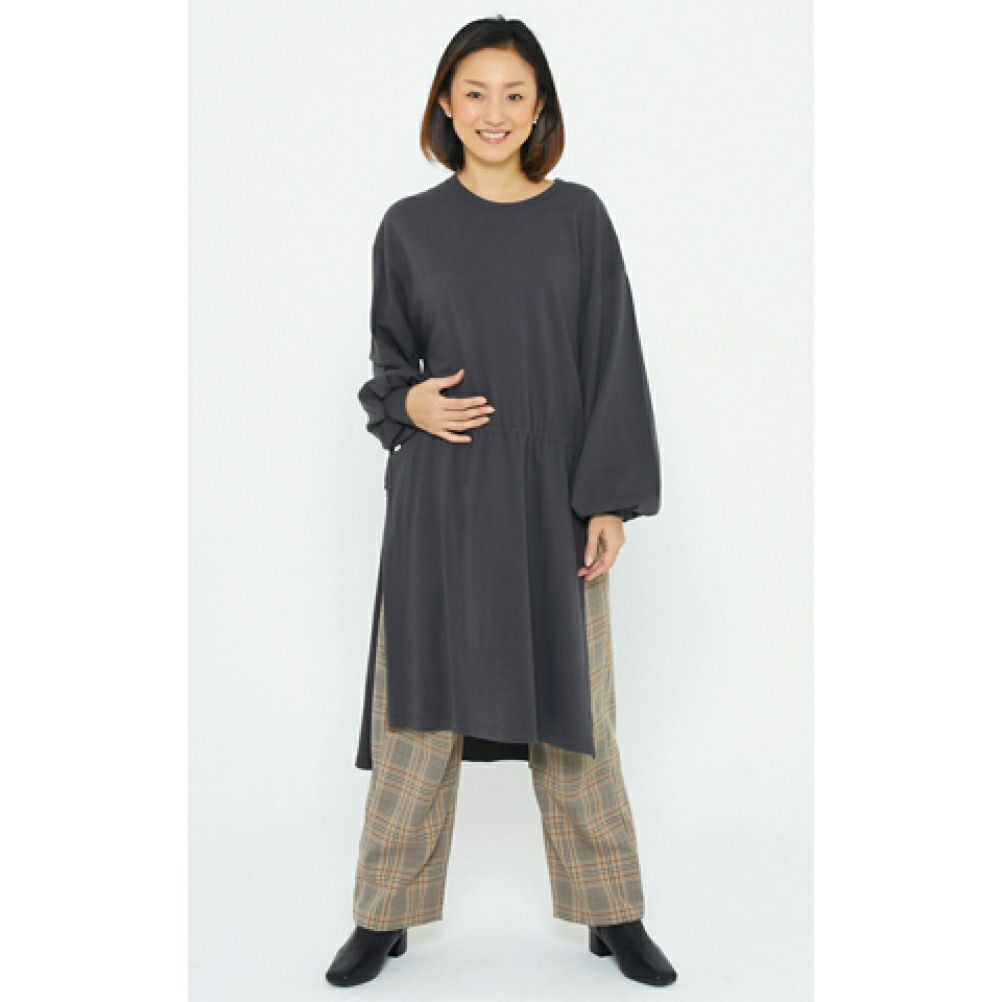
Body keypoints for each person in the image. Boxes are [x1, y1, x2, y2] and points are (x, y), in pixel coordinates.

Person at [326, 16, 678, 990]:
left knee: (576, 719)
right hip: (441, 504)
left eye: (514, 94)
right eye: (474, 92)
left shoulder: (580, 219)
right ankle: (382, 914)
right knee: (415, 719)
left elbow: (611, 357)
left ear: (540, 107)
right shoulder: (409, 226)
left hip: (552, 505)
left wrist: (607, 501)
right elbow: (388, 362)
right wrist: (408, 403)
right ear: (446, 102)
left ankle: (613, 910)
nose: (494, 112)